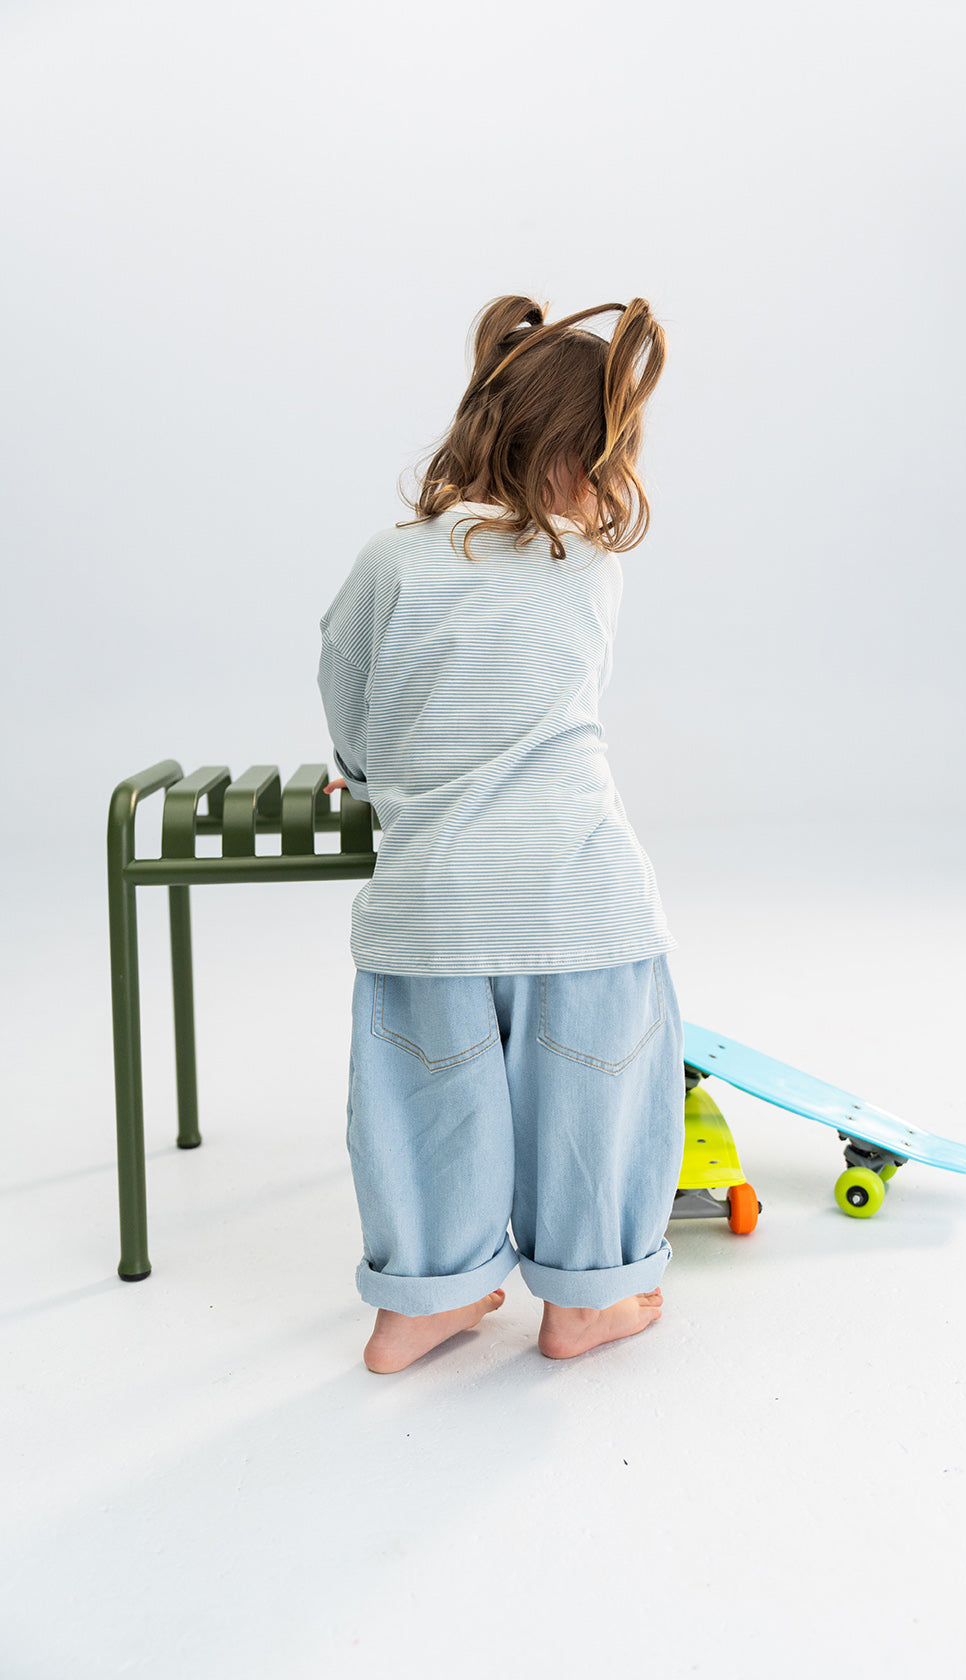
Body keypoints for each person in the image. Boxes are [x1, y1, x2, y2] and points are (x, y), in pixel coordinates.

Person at [317, 294, 684, 1374]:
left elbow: (347, 689)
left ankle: (426, 1297)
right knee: (594, 1100)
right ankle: (590, 1297)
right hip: (583, 896)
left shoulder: (392, 562)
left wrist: (361, 772)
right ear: (593, 454)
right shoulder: (591, 571)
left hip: (430, 907)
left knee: (426, 1104)